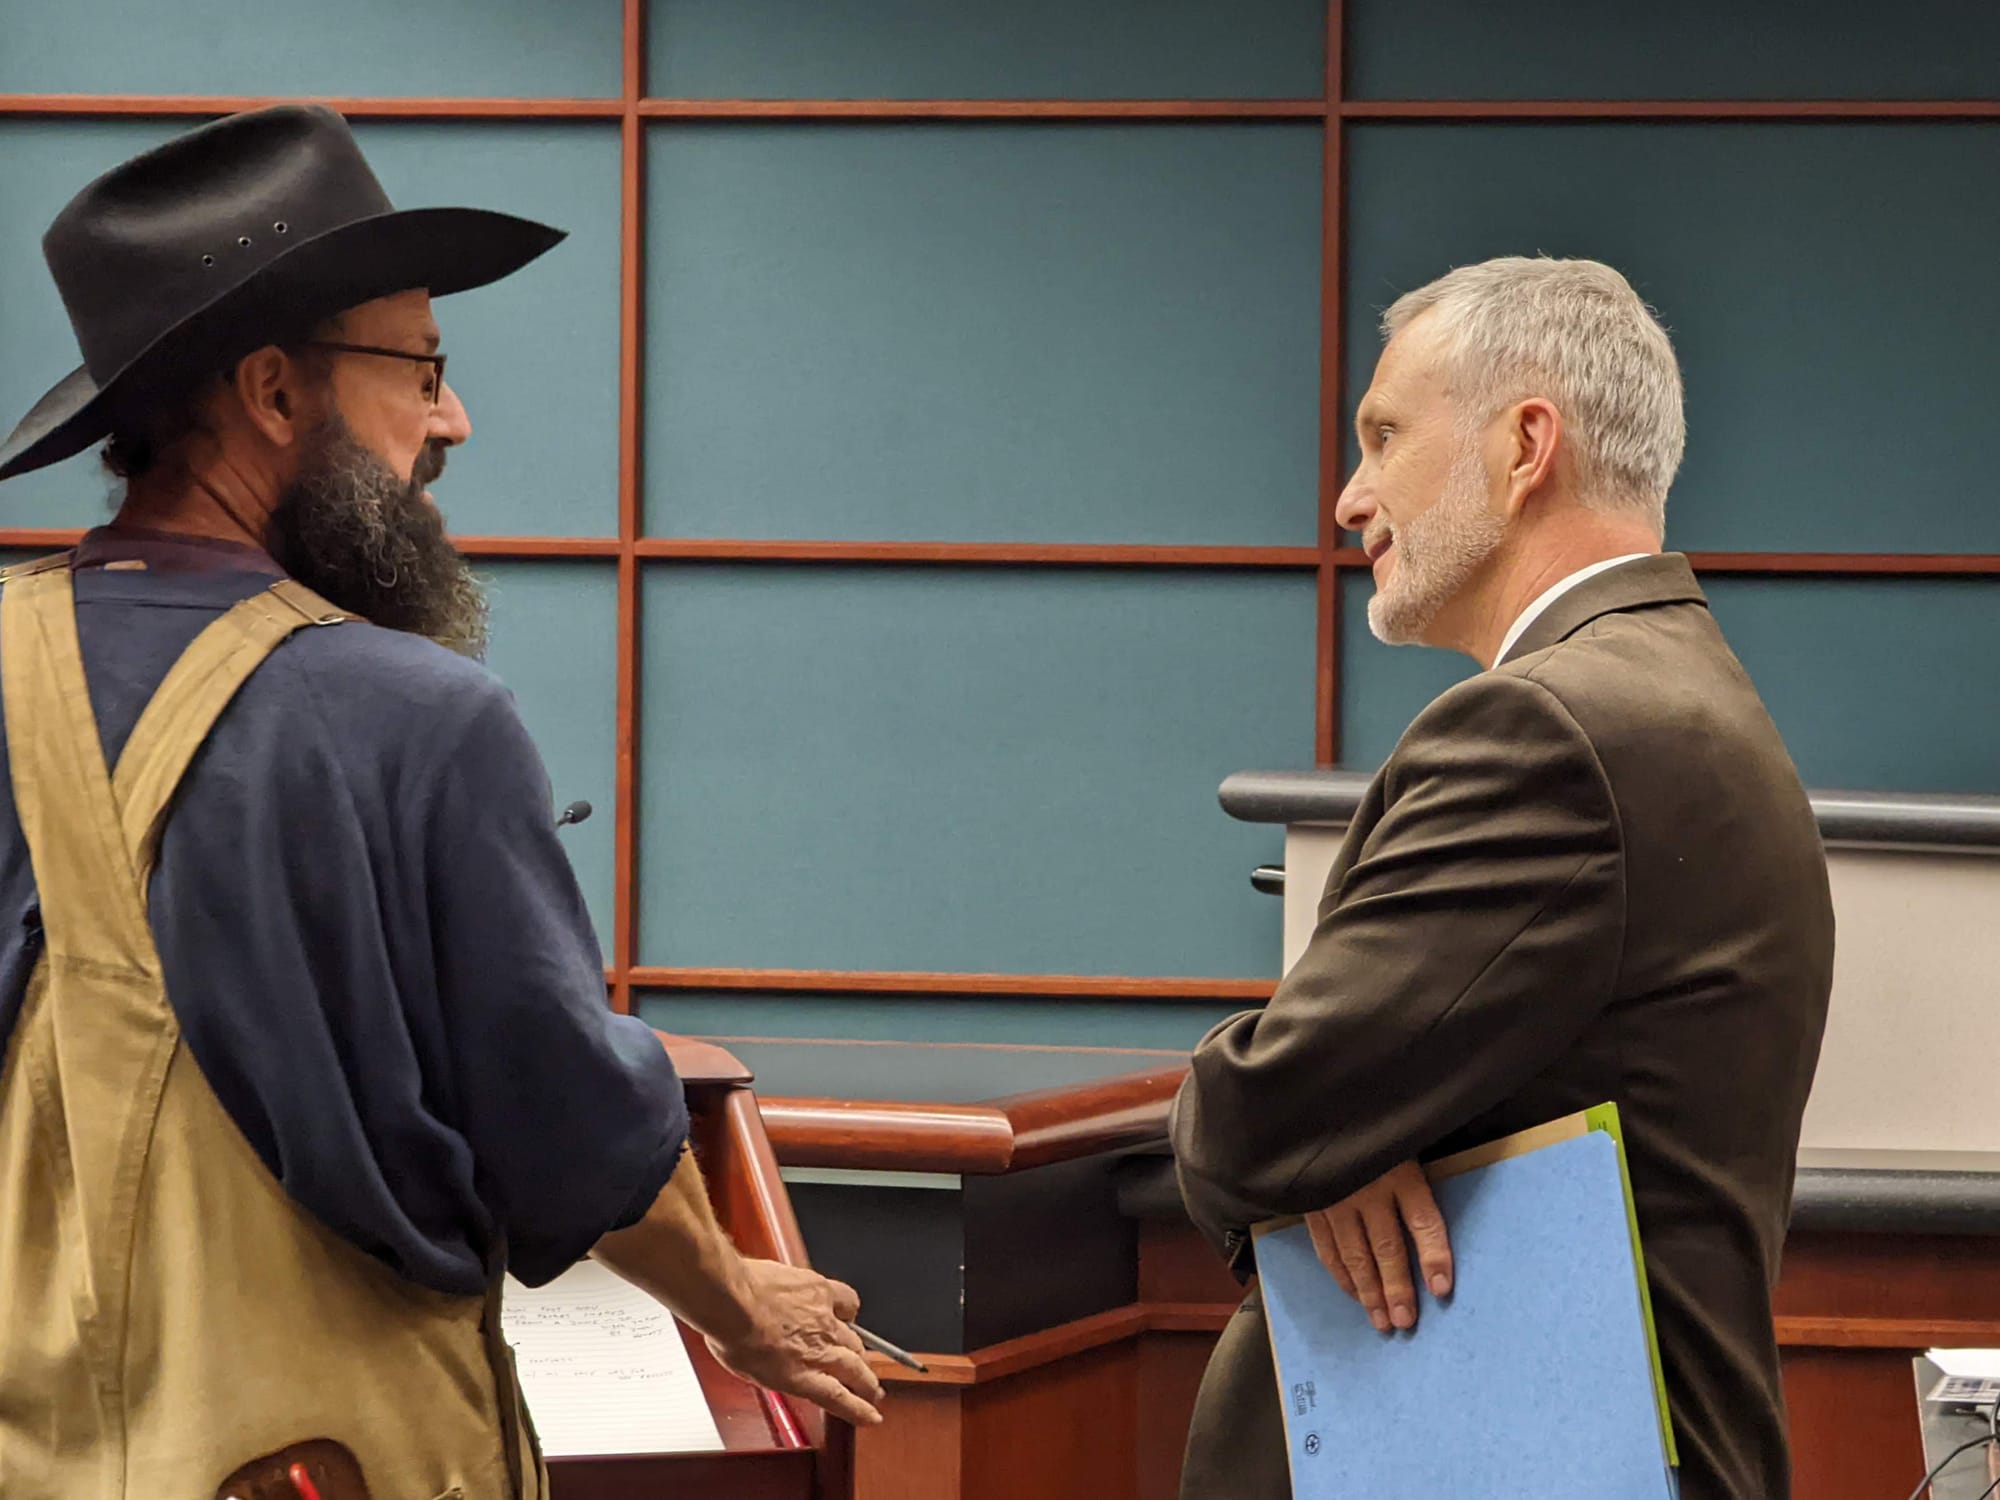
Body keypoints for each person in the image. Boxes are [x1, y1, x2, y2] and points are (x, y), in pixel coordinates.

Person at [0, 104, 881, 1500]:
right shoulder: (415, 714)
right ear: (274, 392)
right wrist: (736, 1302)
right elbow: (566, 1125)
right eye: (420, 366)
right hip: (324, 1450)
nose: (450, 418)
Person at [1171, 256, 1834, 1500]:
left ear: (1525, 446)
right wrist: (1346, 1128)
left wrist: (1321, 1126)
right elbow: (1325, 1104)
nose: (1348, 498)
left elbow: (1259, 1115)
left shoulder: (1547, 731)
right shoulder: (1679, 689)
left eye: (1382, 436)